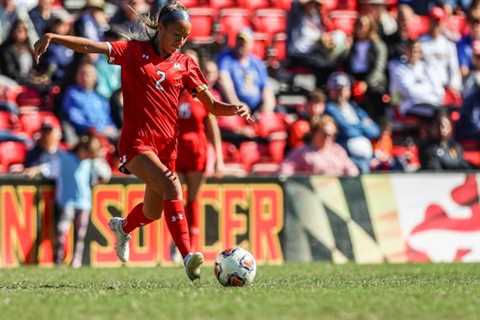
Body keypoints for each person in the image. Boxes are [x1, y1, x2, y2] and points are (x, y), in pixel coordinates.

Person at [33, 0, 252, 281]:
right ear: (160, 28)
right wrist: (53, 37)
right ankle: (188, 256)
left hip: (167, 149)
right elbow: (92, 46)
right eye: (176, 34)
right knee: (173, 186)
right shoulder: (134, 52)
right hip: (136, 144)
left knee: (153, 211)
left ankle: (123, 227)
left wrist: (234, 108)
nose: (181, 41)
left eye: (185, 36)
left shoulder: (186, 64)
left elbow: (211, 106)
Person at [24, 134, 112, 268]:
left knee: (80, 234)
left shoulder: (90, 162)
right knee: (61, 232)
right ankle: (58, 261)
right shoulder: (64, 158)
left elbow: (106, 175)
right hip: (67, 202)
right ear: (81, 150)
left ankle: (76, 261)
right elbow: (48, 168)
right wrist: (35, 170)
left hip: (84, 202)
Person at [325, 72, 380, 173]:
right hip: (348, 158)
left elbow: (375, 131)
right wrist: (363, 125)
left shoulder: (355, 107)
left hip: (368, 158)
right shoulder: (330, 109)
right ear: (330, 90)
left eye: (343, 89)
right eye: (336, 89)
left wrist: (355, 126)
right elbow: (347, 131)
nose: (340, 92)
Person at [217, 29, 276, 113]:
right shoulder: (226, 59)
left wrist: (265, 110)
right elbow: (224, 81)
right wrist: (237, 105)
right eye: (239, 41)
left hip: (257, 109)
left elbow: (266, 88)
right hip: (235, 108)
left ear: (251, 44)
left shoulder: (257, 63)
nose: (241, 44)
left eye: (244, 42)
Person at [279, 115, 359, 176]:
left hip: (336, 193)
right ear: (315, 133)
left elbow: (352, 169)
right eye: (325, 134)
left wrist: (350, 173)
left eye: (332, 134)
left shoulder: (338, 150)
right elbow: (285, 170)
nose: (328, 137)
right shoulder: (302, 152)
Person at [61, 60, 119, 142]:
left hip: (107, 133)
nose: (84, 77)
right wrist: (94, 128)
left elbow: (107, 118)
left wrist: (110, 127)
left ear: (95, 78)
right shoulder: (72, 93)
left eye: (87, 74)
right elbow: (75, 118)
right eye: (81, 74)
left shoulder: (99, 97)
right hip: (87, 134)